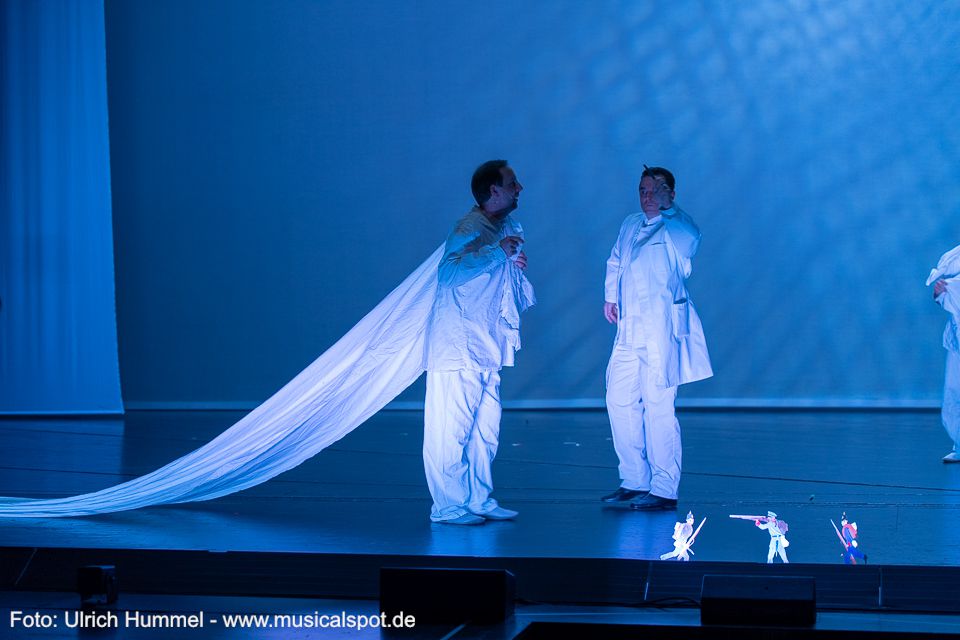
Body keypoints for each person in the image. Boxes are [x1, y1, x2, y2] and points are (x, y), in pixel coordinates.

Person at [422, 160, 535, 525]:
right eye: (512, 183)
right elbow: (449, 274)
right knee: (451, 430)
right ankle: (448, 506)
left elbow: (491, 273)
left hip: (485, 344)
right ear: (494, 191)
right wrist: (498, 253)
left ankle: (477, 499)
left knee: (485, 430)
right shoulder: (469, 228)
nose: (519, 188)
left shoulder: (502, 226)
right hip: (459, 347)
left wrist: (511, 262)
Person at [600, 167, 712, 510]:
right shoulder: (631, 223)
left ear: (670, 193)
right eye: (643, 190)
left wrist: (670, 210)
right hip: (630, 329)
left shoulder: (677, 227)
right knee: (618, 400)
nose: (647, 196)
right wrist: (610, 296)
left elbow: (691, 240)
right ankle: (634, 479)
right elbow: (616, 260)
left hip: (660, 331)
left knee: (659, 407)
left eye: (655, 190)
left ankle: (664, 488)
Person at [929, 247, 960, 463]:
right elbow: (942, 294)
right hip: (957, 339)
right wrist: (941, 293)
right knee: (954, 389)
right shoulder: (954, 258)